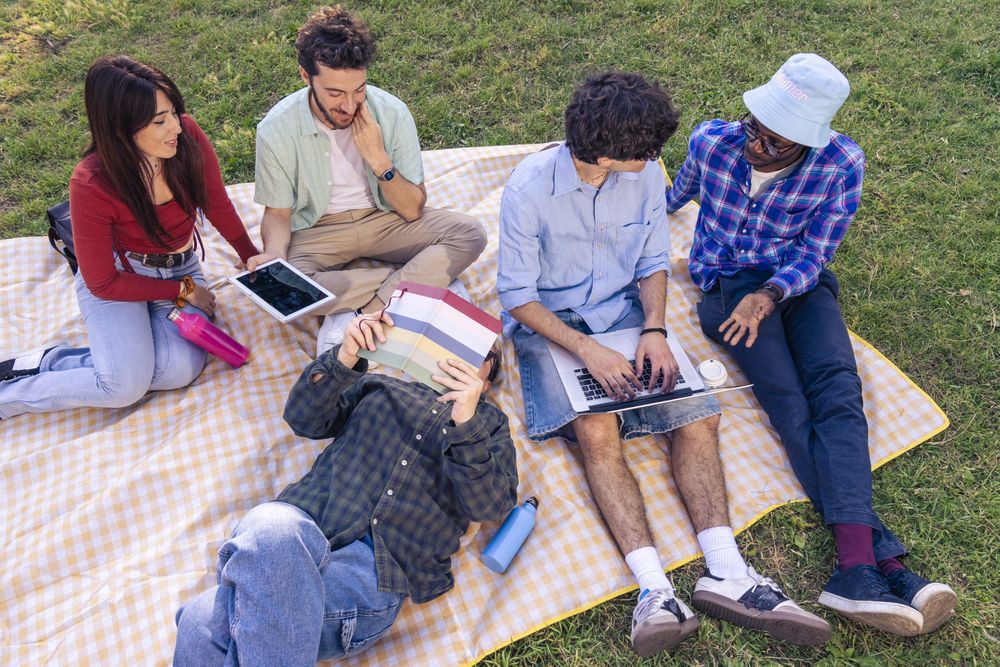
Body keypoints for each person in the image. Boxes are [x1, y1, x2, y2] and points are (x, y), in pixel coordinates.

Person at [497, 72, 829, 657]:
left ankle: (727, 570)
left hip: (628, 310)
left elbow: (653, 258)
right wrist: (588, 349)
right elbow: (517, 296)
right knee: (598, 428)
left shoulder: (644, 173)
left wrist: (654, 328)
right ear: (604, 152)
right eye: (645, 151)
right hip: (553, 322)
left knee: (699, 417)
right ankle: (654, 592)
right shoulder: (528, 191)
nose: (657, 160)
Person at [665, 53, 958, 636]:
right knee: (788, 400)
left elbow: (818, 250)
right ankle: (879, 561)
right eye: (755, 129)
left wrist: (772, 292)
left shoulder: (840, 164)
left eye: (778, 144)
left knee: (839, 393)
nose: (757, 146)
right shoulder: (712, 141)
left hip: (797, 283)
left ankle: (857, 569)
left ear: (811, 142)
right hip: (726, 287)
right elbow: (673, 198)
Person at [173, 314, 516, 665]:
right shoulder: (380, 386)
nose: (461, 357)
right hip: (304, 525)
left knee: (203, 619)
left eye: (476, 353)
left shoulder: (488, 427)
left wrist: (465, 423)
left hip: (372, 572)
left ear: (486, 384)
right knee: (271, 530)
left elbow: (490, 506)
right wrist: (346, 356)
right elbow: (303, 418)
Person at [0, 56, 259, 420]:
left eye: (173, 113)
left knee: (178, 370)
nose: (177, 128)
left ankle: (54, 361)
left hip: (178, 265)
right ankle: (9, 393)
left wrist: (250, 256)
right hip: (121, 276)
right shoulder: (91, 182)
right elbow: (103, 283)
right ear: (121, 128)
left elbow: (215, 201)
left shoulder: (186, 136)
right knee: (122, 387)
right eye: (159, 121)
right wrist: (184, 290)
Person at [246, 6, 487, 357]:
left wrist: (379, 160)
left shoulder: (391, 113)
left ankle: (362, 313)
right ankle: (422, 288)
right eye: (334, 93)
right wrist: (273, 256)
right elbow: (279, 214)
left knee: (470, 233)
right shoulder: (276, 130)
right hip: (318, 230)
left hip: (384, 218)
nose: (348, 105)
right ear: (305, 76)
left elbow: (411, 208)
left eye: (358, 89)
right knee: (282, 291)